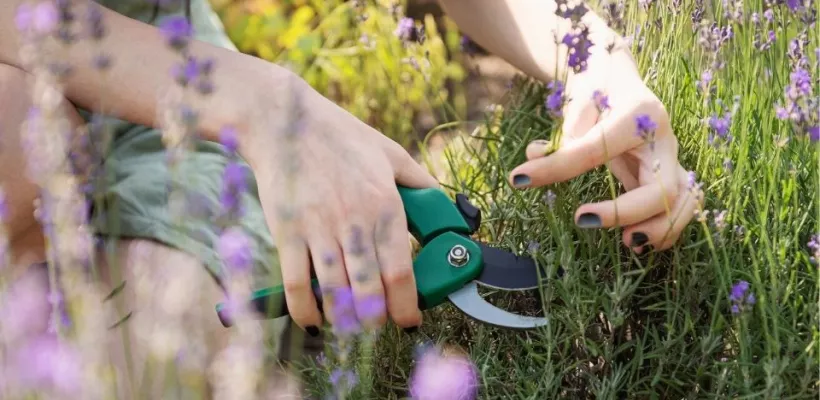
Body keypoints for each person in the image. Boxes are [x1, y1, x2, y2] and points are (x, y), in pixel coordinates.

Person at [0, 0, 697, 396]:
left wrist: (597, 60)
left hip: (165, 80)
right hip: (108, 86)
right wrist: (264, 105)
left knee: (173, 352)